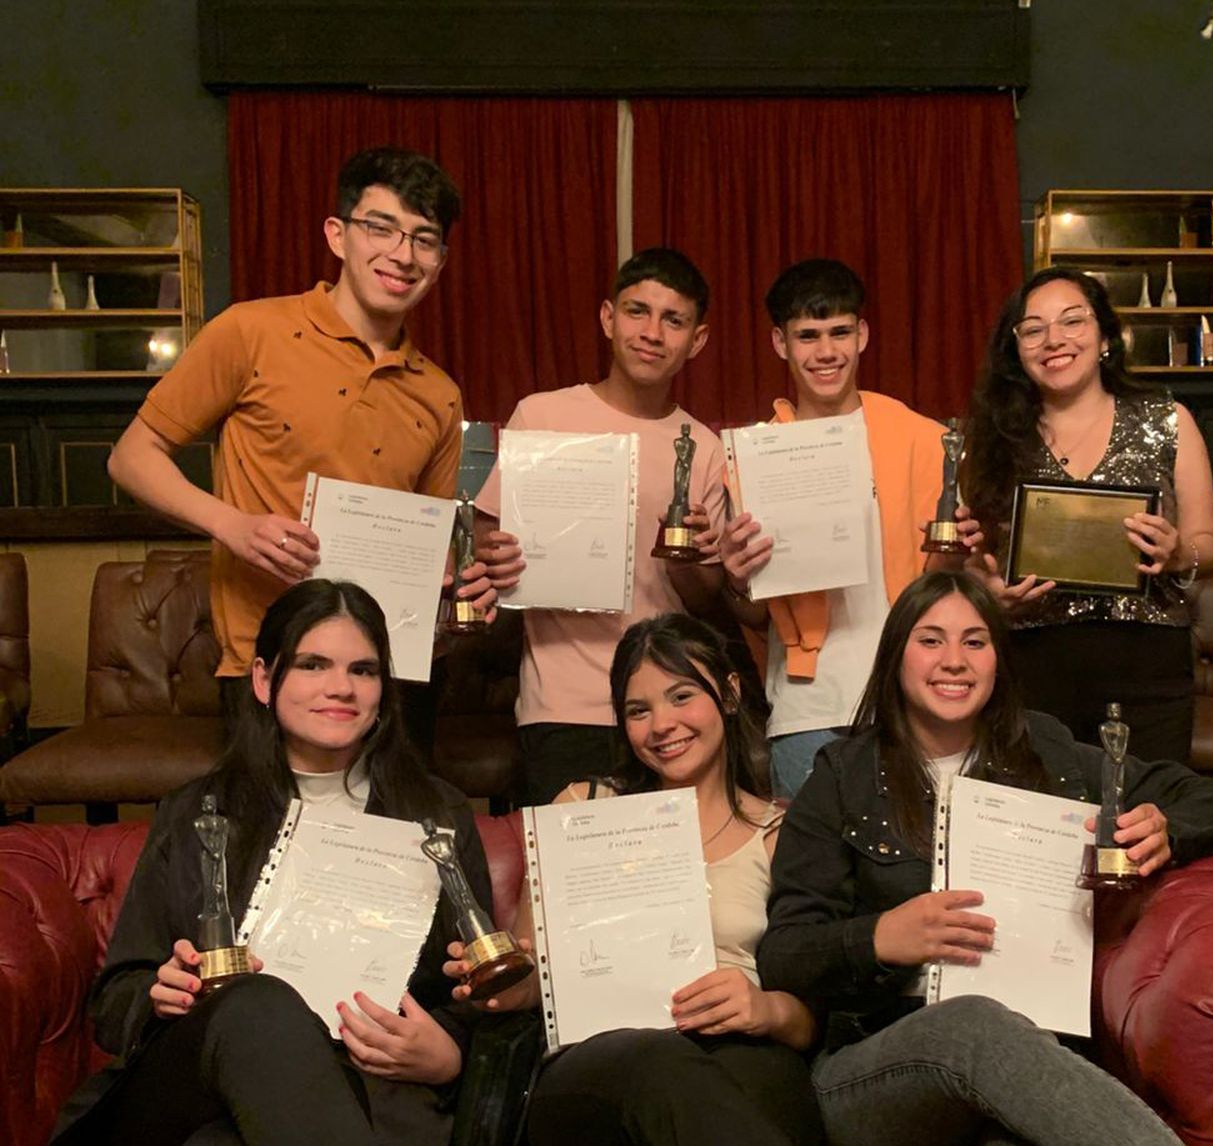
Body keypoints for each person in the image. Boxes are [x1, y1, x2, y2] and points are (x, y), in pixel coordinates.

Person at [757, 570, 1213, 1146]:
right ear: (896, 656)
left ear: (997, 659)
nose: (954, 660)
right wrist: (878, 937)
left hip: (1032, 1051)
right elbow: (783, 956)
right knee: (975, 1020)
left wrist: (1169, 829)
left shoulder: (1048, 752)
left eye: (975, 641)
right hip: (875, 1065)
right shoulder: (842, 776)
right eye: (930, 639)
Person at [51, 580, 493, 1146]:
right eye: (312, 665)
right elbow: (116, 999)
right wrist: (159, 996)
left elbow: (475, 989)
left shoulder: (437, 816)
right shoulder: (199, 812)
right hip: (192, 1083)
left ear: (384, 688)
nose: (341, 688)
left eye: (363, 670)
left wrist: (448, 1053)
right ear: (263, 679)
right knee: (258, 1002)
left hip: (368, 1094)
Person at [106, 147, 493, 738]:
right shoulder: (250, 332)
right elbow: (131, 458)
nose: (402, 254)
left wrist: (474, 578)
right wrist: (233, 525)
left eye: (424, 239)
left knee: (395, 830)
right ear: (338, 235)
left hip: (387, 672)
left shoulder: (439, 393)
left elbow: (433, 543)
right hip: (271, 661)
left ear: (440, 261)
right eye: (381, 228)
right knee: (270, 831)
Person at [446, 613, 823, 1146]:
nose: (662, 725)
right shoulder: (583, 808)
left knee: (766, 1083)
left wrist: (763, 1008)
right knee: (660, 1059)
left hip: (737, 1044)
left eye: (681, 696)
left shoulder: (778, 833)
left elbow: (810, 1022)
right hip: (600, 1057)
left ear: (731, 693)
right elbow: (535, 978)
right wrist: (502, 981)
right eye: (638, 710)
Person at [473, 248, 728, 804]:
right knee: (575, 881)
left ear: (697, 340)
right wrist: (496, 559)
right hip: (562, 707)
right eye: (638, 312)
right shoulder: (540, 417)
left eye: (674, 320)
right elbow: (484, 539)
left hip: (669, 710)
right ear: (609, 318)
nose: (653, 332)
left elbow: (708, 603)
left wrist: (686, 562)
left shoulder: (705, 451)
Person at [719, 259, 979, 799]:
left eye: (839, 332)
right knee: (815, 876)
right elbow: (749, 610)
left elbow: (950, 584)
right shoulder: (754, 455)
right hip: (807, 709)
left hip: (915, 700)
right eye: (807, 336)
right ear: (779, 343)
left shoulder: (925, 440)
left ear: (861, 334)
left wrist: (957, 551)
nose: (826, 352)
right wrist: (737, 577)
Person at [963, 266, 1213, 763]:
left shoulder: (1166, 419)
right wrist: (991, 595)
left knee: (1143, 822)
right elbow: (974, 561)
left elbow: (1208, 545)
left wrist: (1173, 555)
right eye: (1033, 329)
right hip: (1032, 662)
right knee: (1041, 827)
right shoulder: (991, 437)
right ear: (1016, 349)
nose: (1053, 340)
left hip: (1148, 665)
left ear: (1105, 335)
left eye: (1072, 321)